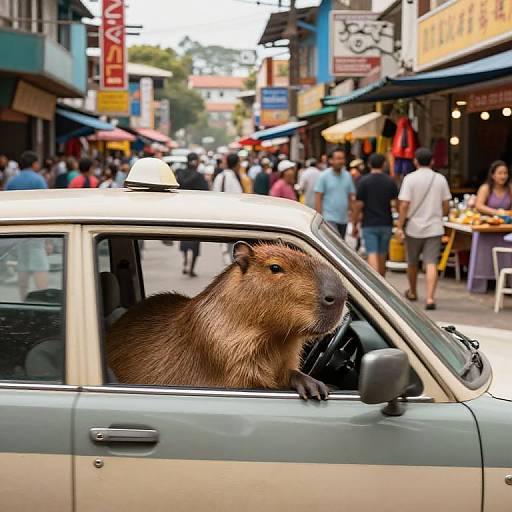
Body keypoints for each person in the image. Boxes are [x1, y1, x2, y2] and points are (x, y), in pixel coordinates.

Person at [397, 147, 451, 310]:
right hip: (434, 227)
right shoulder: (440, 179)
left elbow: (404, 204)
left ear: (415, 161)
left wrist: (400, 225)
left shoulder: (410, 179)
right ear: (432, 161)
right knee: (431, 262)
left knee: (412, 262)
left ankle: (413, 291)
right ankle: (430, 298)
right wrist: (440, 215)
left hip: (413, 227)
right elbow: (446, 204)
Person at [352, 153, 398, 276]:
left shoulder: (363, 181)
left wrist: (354, 223)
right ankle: (382, 282)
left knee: (372, 253)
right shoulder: (390, 181)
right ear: (384, 164)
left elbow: (358, 205)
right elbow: (395, 203)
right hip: (386, 223)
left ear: (369, 164)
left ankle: (375, 283)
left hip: (369, 223)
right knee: (382, 254)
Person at [176, 153, 209, 277]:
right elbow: (206, 193)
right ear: (196, 162)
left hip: (183, 212)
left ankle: (185, 261)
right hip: (197, 214)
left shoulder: (180, 174)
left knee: (184, 238)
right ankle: (191, 268)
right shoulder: (199, 177)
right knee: (195, 241)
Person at [314, 149, 356, 239]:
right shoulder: (324, 176)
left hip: (343, 218)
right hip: (328, 218)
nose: (340, 161)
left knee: (341, 244)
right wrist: (318, 217)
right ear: (331, 160)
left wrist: (353, 219)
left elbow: (350, 198)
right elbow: (318, 197)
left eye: (342, 158)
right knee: (332, 245)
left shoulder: (348, 176)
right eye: (337, 158)